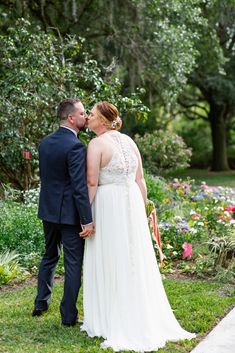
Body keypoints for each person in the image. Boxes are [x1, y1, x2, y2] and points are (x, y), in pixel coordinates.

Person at [81, 101, 196, 351]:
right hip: (132, 202)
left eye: (91, 114)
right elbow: (140, 179)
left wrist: (85, 217)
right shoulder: (129, 142)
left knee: (110, 256)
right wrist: (143, 211)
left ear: (102, 120)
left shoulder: (96, 144)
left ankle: (108, 318)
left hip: (108, 204)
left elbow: (91, 183)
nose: (87, 118)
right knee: (133, 258)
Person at [32, 98, 94, 326]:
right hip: (69, 216)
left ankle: (41, 303)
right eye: (82, 113)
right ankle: (68, 316)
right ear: (71, 118)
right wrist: (87, 219)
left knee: (49, 256)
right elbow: (79, 187)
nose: (86, 117)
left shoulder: (45, 143)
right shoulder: (77, 146)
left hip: (47, 211)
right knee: (73, 264)